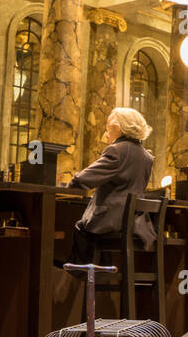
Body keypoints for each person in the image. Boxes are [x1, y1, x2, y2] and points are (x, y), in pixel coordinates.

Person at [66, 107, 156, 266]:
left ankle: (78, 276)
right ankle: (102, 277)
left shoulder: (117, 150)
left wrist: (69, 184)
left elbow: (83, 180)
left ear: (118, 128)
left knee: (79, 227)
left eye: (108, 129)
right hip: (135, 223)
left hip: (113, 222)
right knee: (88, 230)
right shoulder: (146, 156)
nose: (106, 134)